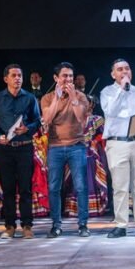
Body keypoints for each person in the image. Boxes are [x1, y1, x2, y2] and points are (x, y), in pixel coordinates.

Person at [100, 59, 135, 238]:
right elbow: (110, 111)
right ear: (113, 74)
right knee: (120, 187)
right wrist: (122, 90)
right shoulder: (107, 92)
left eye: (127, 68)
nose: (124, 72)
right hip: (117, 143)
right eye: (120, 69)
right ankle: (121, 225)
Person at [0, 64, 42, 239]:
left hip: (24, 147)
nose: (17, 78)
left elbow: (37, 121)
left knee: (25, 189)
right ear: (6, 79)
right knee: (8, 189)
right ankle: (9, 226)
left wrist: (27, 128)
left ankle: (27, 225)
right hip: (4, 149)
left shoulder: (30, 98)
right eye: (14, 75)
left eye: (20, 75)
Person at [40, 62, 91, 237]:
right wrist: (57, 98)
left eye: (70, 76)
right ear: (56, 78)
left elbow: (81, 119)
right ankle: (56, 225)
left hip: (77, 146)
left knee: (81, 186)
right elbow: (47, 119)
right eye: (64, 76)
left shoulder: (81, 96)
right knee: (54, 187)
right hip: (55, 147)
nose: (68, 79)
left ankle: (83, 225)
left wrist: (73, 98)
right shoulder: (47, 98)